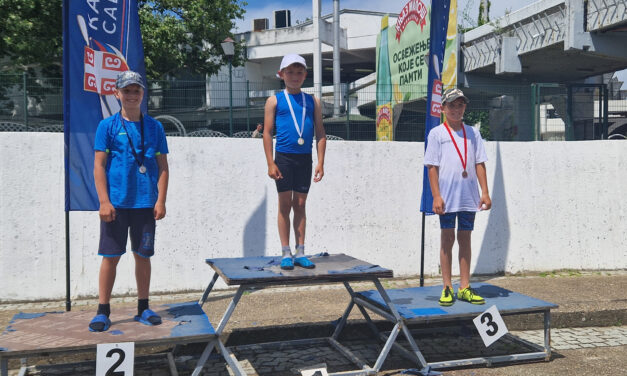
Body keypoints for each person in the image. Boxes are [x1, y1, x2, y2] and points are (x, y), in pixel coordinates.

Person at [89, 70, 170, 332]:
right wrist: (103, 201)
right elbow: (98, 166)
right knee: (110, 256)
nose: (132, 95)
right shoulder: (108, 126)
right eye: (127, 91)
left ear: (142, 94)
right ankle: (103, 311)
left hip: (145, 204)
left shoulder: (155, 127)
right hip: (116, 204)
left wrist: (161, 200)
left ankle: (143, 307)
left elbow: (163, 167)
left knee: (143, 255)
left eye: (136, 90)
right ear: (117, 94)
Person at [424, 88, 491, 307]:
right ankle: (446, 287)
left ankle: (464, 286)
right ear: (443, 108)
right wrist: (436, 196)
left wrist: (485, 192)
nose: (456, 109)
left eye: (460, 105)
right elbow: (432, 168)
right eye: (451, 105)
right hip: (447, 197)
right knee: (447, 239)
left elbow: (479, 163)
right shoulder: (437, 134)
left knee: (465, 239)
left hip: (468, 197)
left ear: (464, 108)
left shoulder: (473, 133)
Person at [263, 54, 327, 270]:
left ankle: (300, 251)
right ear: (281, 75)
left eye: (299, 72)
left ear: (305, 75)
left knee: (300, 205)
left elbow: (320, 133)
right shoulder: (274, 100)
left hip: (305, 159)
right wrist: (271, 163)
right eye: (290, 72)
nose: (295, 76)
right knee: (284, 205)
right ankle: (285, 252)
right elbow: (267, 133)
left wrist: (320, 162)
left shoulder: (312, 101)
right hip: (283, 158)